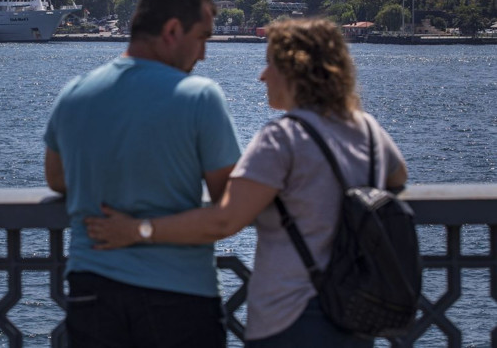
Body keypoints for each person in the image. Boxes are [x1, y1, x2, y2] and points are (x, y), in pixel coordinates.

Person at [85, 17, 408, 347]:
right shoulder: (368, 131)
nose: (262, 75)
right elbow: (397, 177)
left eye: (270, 64)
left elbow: (224, 219)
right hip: (354, 314)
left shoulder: (283, 138)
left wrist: (138, 230)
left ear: (295, 71)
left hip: (292, 319)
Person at [44, 0, 242, 347]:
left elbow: (56, 178)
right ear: (171, 30)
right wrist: (143, 228)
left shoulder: (74, 94)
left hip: (91, 293)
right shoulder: (200, 97)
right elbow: (225, 212)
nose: (203, 55)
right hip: (178, 298)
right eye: (201, 38)